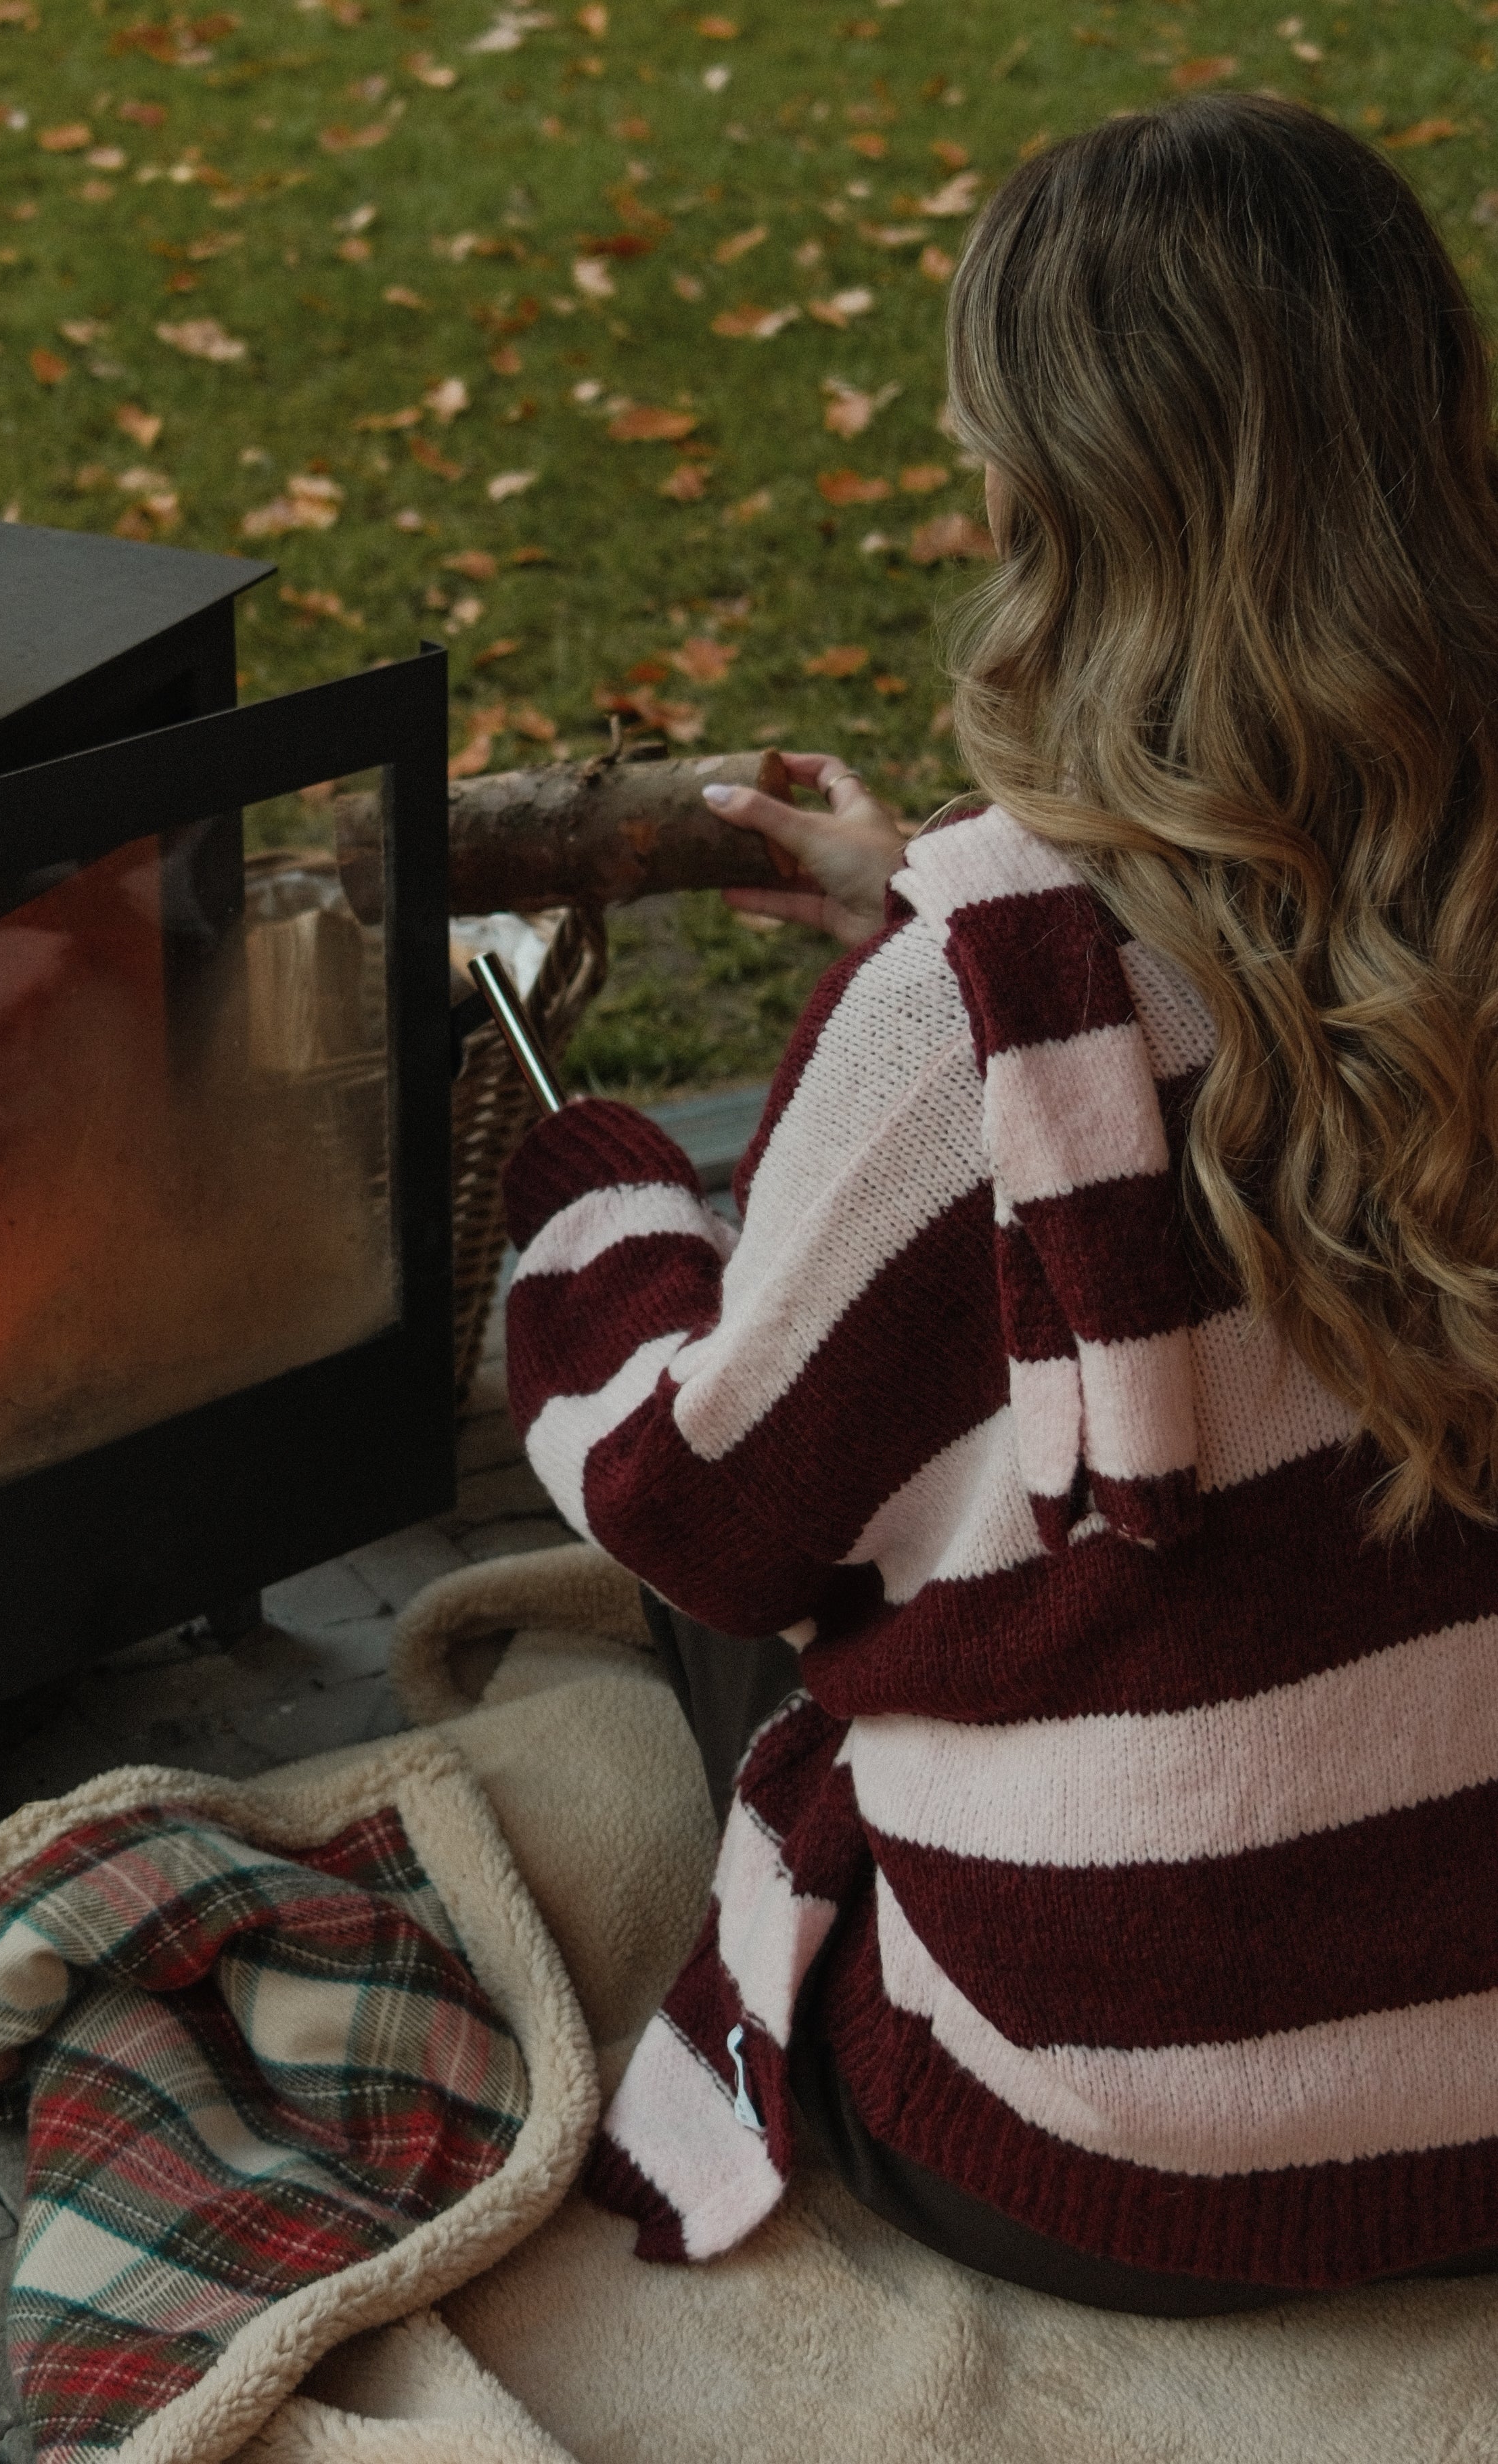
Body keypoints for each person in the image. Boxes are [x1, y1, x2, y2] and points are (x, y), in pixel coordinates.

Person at [498, 93, 1498, 2314]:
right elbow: (1262, 968)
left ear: (1045, 479)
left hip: (1117, 2155)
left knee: (759, 1474)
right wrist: (908, 907)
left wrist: (593, 1214)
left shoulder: (983, 1000)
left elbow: (700, 1508)